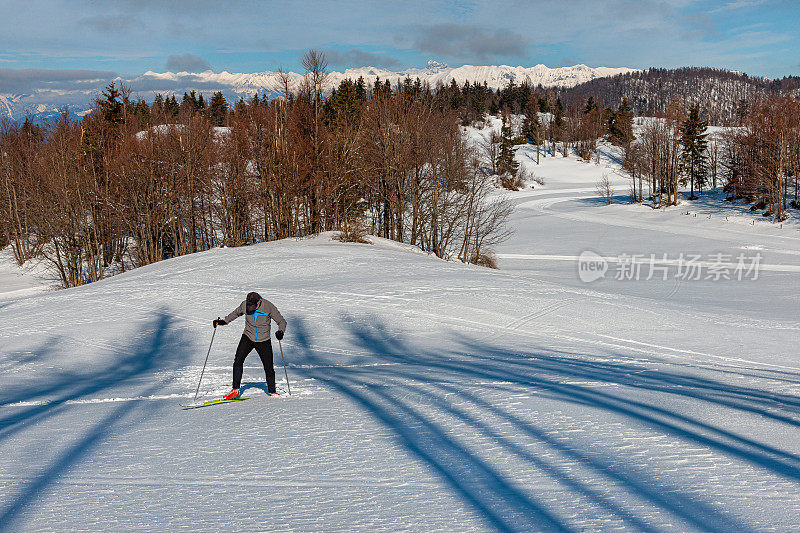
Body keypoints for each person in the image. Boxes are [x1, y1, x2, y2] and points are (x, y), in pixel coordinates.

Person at [213, 291, 287, 400]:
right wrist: (224, 321)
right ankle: (235, 390)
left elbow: (282, 321)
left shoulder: (268, 306)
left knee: (268, 367)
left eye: (252, 306)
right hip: (248, 336)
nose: (250, 308)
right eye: (249, 305)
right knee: (238, 360)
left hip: (264, 340)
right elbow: (235, 313)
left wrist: (281, 331)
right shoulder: (244, 305)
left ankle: (272, 391)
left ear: (259, 302)